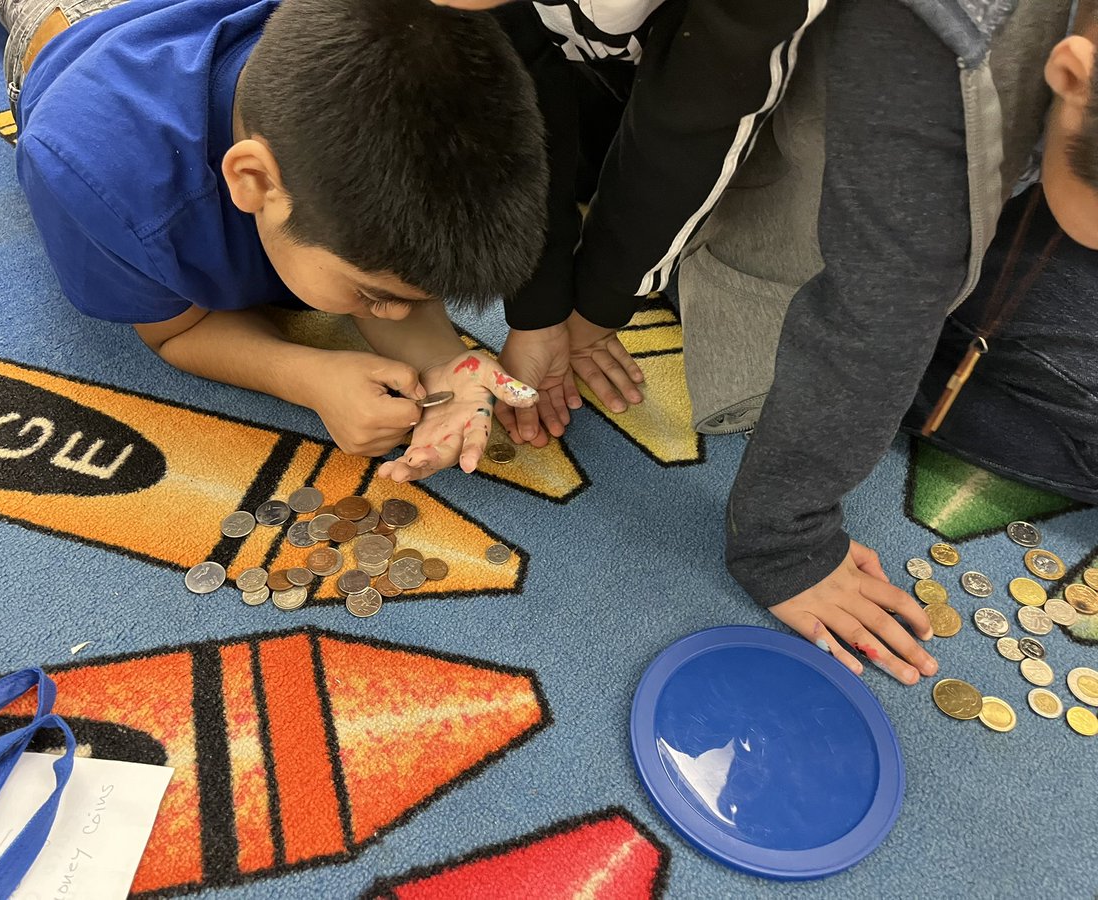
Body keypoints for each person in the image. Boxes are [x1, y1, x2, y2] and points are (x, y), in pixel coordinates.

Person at [430, 0, 1096, 684]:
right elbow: (882, 301)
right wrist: (787, 541)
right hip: (772, 136)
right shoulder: (935, 36)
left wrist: (588, 304)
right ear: (1071, 73)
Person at [0, 0, 550, 471]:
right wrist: (307, 378)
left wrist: (445, 359)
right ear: (250, 180)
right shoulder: (95, 176)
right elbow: (177, 330)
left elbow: (393, 258)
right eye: (375, 295)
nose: (396, 313)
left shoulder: (424, 39)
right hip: (74, 23)